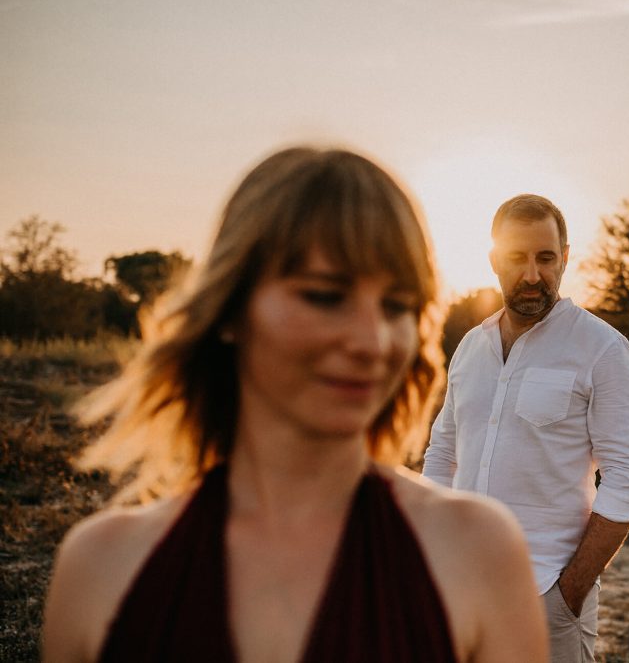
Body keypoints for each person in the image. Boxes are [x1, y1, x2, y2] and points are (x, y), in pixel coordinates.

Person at [42, 147, 547, 663]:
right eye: (324, 296)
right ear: (231, 310)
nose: (372, 342)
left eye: (397, 306)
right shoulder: (102, 570)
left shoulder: (478, 552)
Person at [422, 194, 629, 662]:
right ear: (493, 261)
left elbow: (628, 477)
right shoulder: (471, 347)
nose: (532, 275)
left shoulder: (603, 350)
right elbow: (442, 455)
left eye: (546, 258)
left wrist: (568, 593)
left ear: (565, 259)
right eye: (516, 258)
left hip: (546, 594)